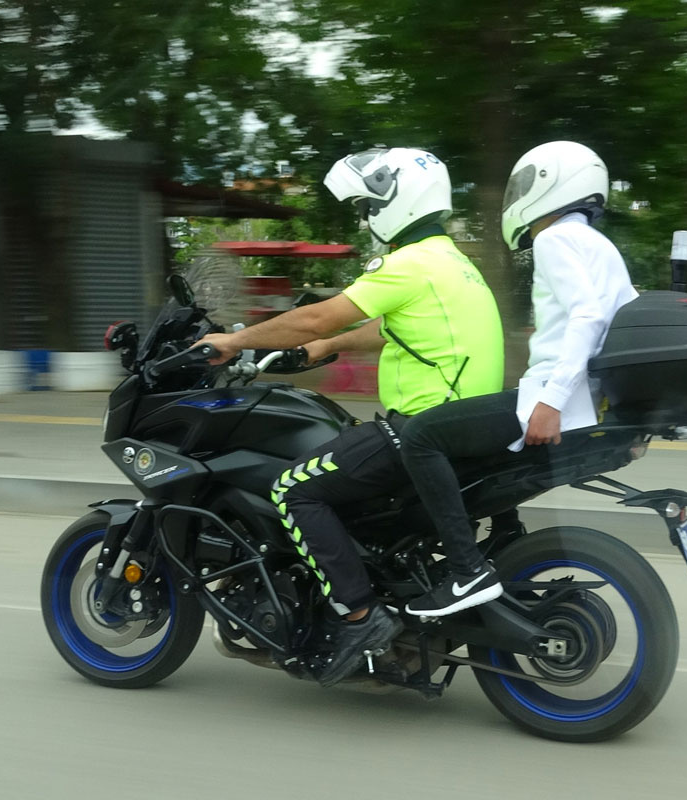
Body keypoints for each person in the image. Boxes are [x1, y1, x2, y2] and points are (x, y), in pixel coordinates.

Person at [196, 147, 504, 685]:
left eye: (368, 205)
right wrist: (321, 350)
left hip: (419, 430)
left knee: (294, 489)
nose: (364, 218)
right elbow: (390, 327)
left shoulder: (406, 264)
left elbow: (316, 314)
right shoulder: (451, 263)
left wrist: (235, 339)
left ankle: (358, 619)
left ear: (397, 199)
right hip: (462, 426)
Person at [399, 141, 637, 618]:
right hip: (589, 397)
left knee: (422, 435)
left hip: (558, 398)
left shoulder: (554, 239)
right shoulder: (598, 244)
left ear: (551, 183)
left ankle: (466, 572)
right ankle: (506, 536)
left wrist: (551, 400)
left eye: (525, 185)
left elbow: (587, 316)